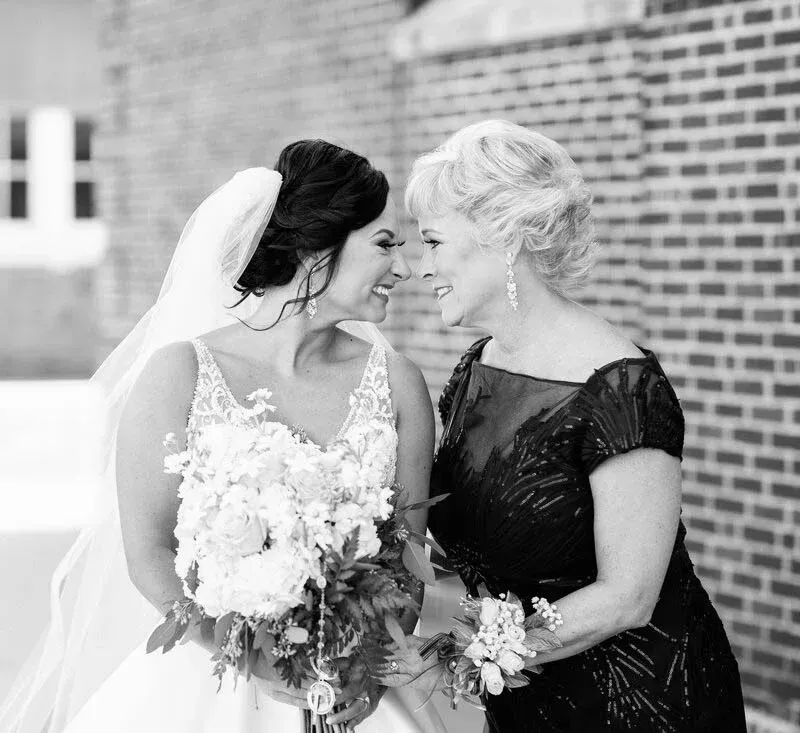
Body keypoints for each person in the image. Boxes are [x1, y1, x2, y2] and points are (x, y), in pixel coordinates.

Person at [0, 140, 445, 733]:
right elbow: (150, 553)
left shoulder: (398, 384)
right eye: (385, 245)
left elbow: (408, 563)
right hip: (207, 686)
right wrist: (254, 661)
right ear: (317, 245)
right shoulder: (179, 373)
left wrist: (362, 670)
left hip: (351, 693)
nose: (405, 269)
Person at [404, 120, 746, 731]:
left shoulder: (622, 388)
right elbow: (487, 532)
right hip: (522, 700)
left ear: (501, 235)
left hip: (637, 700)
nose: (419, 265)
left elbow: (628, 597)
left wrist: (469, 656)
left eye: (431, 241)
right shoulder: (473, 371)